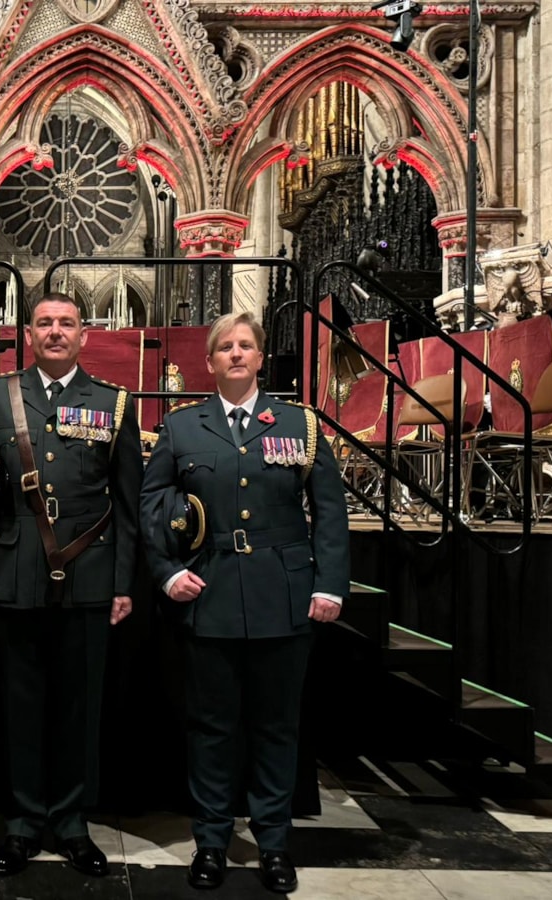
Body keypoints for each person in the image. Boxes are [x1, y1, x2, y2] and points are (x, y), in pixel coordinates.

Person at [139, 312, 349, 894]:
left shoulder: (299, 425)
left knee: (277, 728)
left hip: (284, 596)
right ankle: (210, 842)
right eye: (225, 347)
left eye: (246, 346)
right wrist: (167, 572)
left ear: (260, 359)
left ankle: (274, 844)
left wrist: (330, 583)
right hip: (208, 596)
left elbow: (329, 512)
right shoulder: (181, 429)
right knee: (211, 728)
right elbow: (151, 509)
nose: (236, 354)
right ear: (209, 363)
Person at [0, 293, 142, 878]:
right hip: (17, 573)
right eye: (45, 323)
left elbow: (129, 504)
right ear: (28, 333)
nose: (56, 332)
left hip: (89, 575)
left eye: (67, 323)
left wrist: (122, 583)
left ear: (85, 335)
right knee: (20, 705)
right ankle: (21, 823)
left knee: (78, 707)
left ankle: (70, 822)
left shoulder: (114, 403)